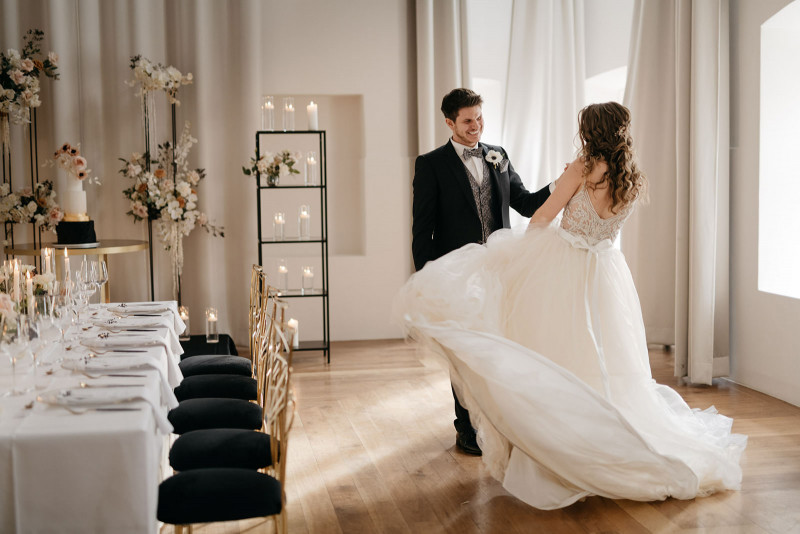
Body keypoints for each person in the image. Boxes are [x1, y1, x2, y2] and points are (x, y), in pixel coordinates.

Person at [396, 102, 746, 508]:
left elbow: (541, 216)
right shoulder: (631, 176)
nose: (476, 125)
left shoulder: (582, 167)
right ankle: (610, 432)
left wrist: (514, 258)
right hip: (605, 272)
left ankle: (561, 440)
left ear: (590, 131)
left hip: (564, 270)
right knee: (606, 360)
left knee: (547, 351)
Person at [412, 88, 552, 455]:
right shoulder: (431, 164)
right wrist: (426, 280)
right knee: (465, 352)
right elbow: (421, 227)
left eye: (479, 118)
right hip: (457, 274)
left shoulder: (498, 155)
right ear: (449, 123)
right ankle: (466, 428)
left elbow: (524, 203)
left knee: (500, 346)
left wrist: (560, 186)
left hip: (501, 270)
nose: (476, 127)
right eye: (468, 121)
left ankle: (500, 423)